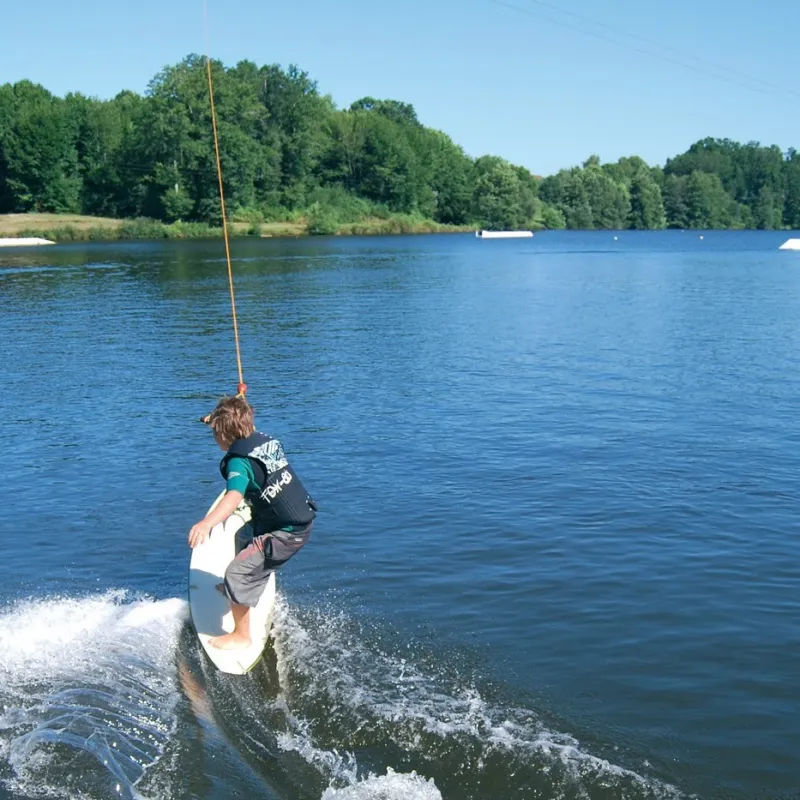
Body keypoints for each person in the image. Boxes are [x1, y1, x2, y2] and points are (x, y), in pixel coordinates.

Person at [188, 395, 316, 650]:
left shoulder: (239, 461)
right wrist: (216, 417)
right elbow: (235, 420)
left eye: (215, 433)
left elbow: (234, 496)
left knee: (235, 574)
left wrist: (206, 523)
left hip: (286, 534)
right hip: (281, 519)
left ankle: (241, 634)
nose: (214, 439)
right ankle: (243, 585)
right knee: (242, 537)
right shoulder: (261, 437)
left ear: (225, 433)